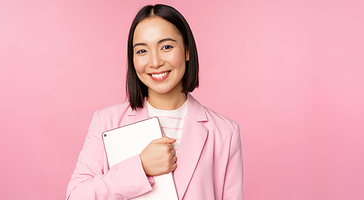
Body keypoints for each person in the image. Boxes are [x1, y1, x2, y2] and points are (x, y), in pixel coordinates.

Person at [66, 4, 243, 200]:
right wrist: (140, 167)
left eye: (166, 47)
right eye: (142, 51)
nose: (155, 61)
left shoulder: (226, 132)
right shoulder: (105, 121)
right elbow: (76, 195)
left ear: (186, 51)